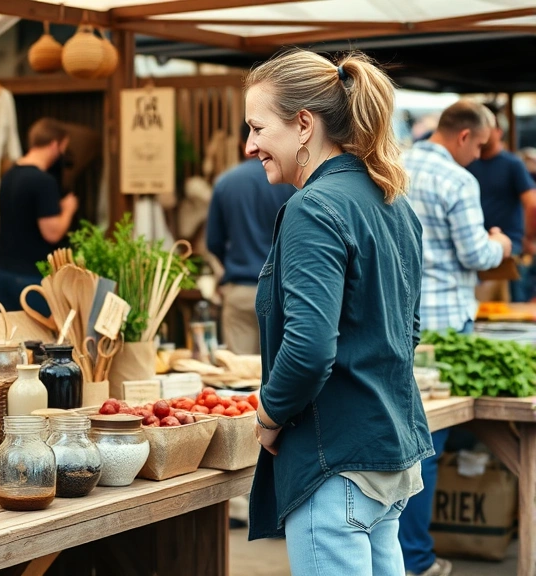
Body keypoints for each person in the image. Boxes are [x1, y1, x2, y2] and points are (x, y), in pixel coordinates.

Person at [244, 49, 433, 576]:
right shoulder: (391, 200)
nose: (250, 144)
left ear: (304, 125)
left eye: (258, 127)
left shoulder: (314, 208)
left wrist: (269, 416)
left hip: (336, 462)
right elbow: (406, 329)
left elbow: (308, 348)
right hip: (385, 451)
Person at [401, 100, 511, 576]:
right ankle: (416, 559)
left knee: (404, 439)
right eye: (480, 147)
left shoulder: (396, 162)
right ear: (464, 136)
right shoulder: (457, 180)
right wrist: (501, 243)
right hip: (445, 327)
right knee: (428, 447)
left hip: (398, 321)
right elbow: (476, 254)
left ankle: (398, 554)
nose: (480, 156)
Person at [206, 125, 296, 355]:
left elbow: (213, 242)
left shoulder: (225, 183)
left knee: (238, 378)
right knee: (280, 374)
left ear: (240, 141)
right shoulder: (291, 183)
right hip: (282, 291)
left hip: (240, 290)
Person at [0, 118, 77, 313]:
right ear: (55, 144)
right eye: (64, 147)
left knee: (11, 339)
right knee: (40, 340)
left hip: (3, 273)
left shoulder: (9, 175)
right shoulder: (43, 181)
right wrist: (68, 209)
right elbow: (52, 232)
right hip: (31, 278)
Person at [467, 103, 536, 302]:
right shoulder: (471, 161)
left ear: (499, 132)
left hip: (509, 248)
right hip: (478, 245)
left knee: (512, 308)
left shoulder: (512, 164)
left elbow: (532, 203)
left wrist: (529, 238)